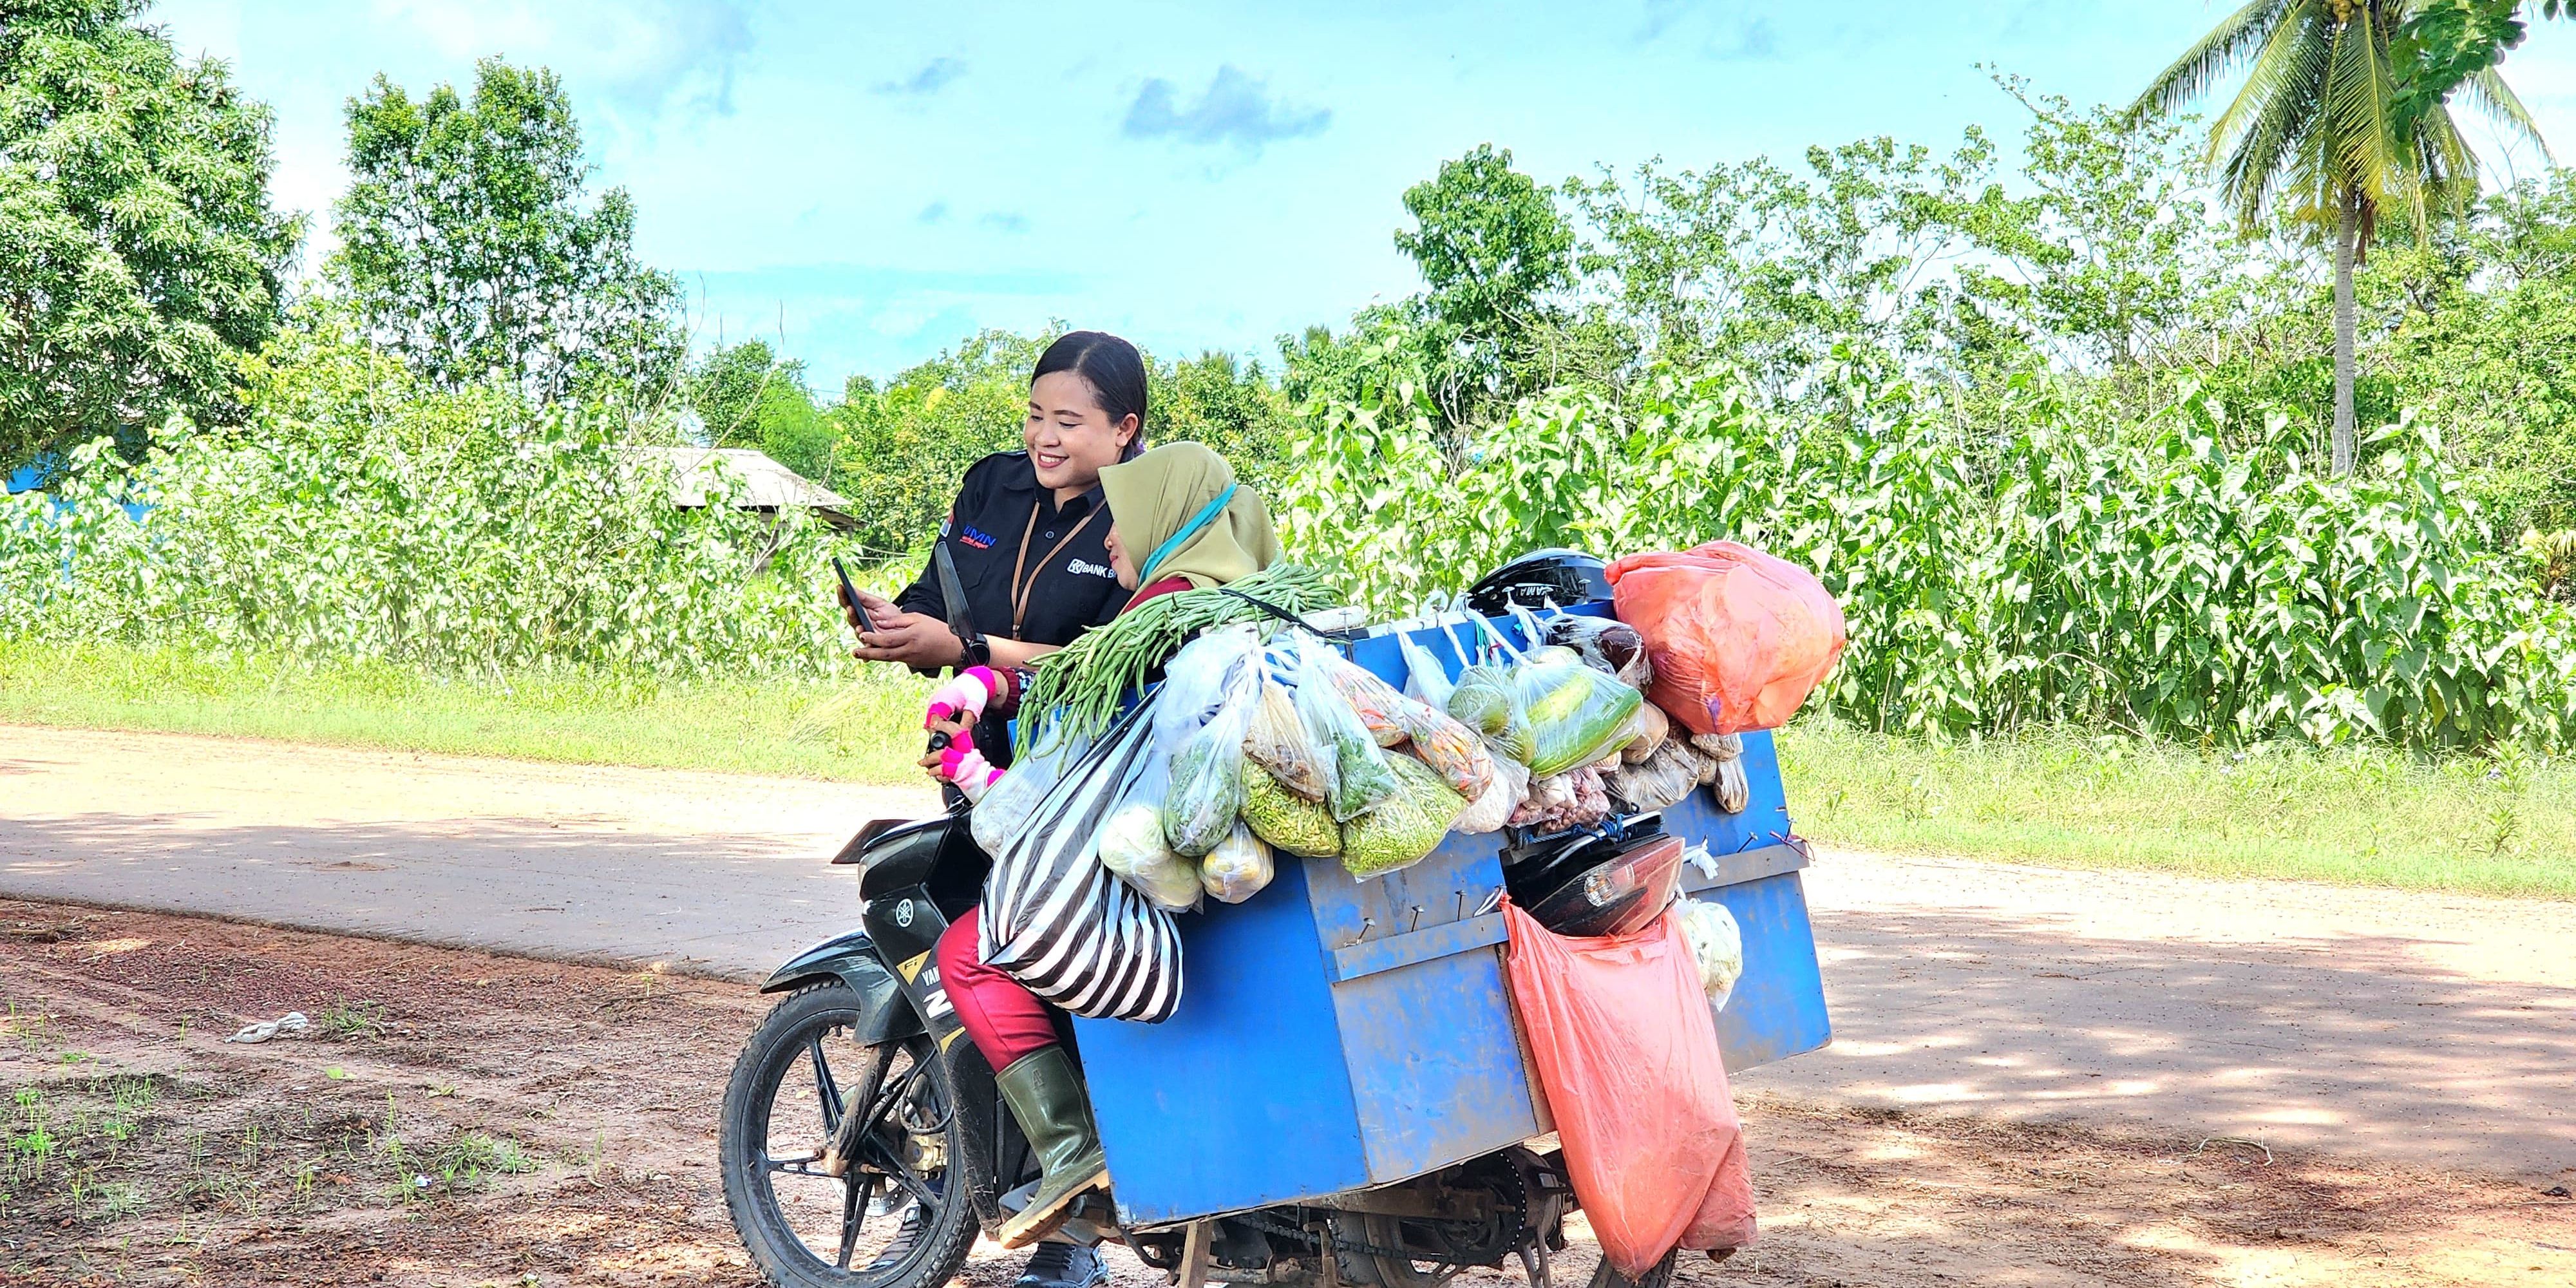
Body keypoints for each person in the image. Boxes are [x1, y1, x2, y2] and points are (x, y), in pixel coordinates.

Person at [919, 443, 1280, 1249]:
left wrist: (975, 770)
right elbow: (1084, 673)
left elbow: (1081, 750)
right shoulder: (1236, 598)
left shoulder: (1168, 605)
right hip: (1195, 854)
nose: (1106, 540)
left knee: (971, 952)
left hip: (1133, 863)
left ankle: (1071, 1149)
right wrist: (995, 680)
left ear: (1166, 522)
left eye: (1119, 521)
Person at [840, 330, 1148, 772]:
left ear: (1124, 428)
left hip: (1082, 767)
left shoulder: (1146, 514)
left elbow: (1106, 664)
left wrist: (965, 649)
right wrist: (899, 625)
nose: (1044, 437)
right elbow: (938, 593)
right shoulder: (992, 483)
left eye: (1067, 423)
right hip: (971, 759)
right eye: (1035, 416)